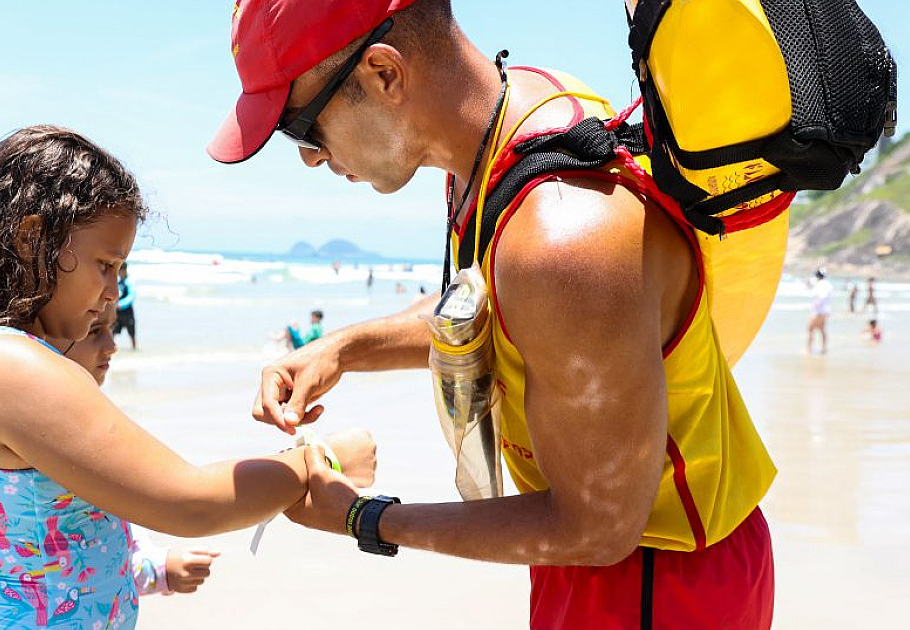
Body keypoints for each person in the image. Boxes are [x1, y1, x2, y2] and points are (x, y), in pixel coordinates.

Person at [212, 2, 775, 628]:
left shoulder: (563, 235)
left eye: (300, 128)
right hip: (600, 559)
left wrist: (361, 518)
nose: (310, 159)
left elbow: (597, 529)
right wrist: (343, 349)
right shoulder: (511, 122)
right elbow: (501, 305)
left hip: (655, 578)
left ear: (384, 74)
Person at [0, 126, 376, 630]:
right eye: (105, 264)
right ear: (31, 239)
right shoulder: (9, 367)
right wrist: (316, 460)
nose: (113, 290)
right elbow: (189, 503)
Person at [63, 307, 221, 595]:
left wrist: (158, 565)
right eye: (95, 330)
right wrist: (159, 572)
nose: (113, 345)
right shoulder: (62, 434)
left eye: (111, 329)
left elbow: (114, 533)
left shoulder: (93, 416)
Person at [807, 268, 833, 355]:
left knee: (810, 328)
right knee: (822, 329)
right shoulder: (828, 284)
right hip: (826, 311)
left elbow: (822, 296)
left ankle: (809, 349)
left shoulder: (820, 284)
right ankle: (823, 349)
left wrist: (816, 304)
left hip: (818, 311)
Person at [113, 262, 137, 350]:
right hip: (117, 312)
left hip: (127, 312)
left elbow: (131, 296)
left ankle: (134, 350)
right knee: (112, 333)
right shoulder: (118, 282)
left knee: (132, 334)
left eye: (122, 271)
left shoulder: (129, 282)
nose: (120, 273)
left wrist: (120, 304)